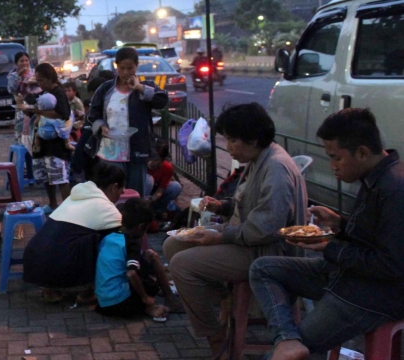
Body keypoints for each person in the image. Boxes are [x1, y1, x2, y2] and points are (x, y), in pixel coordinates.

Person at [249, 108, 404, 360]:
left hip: (372, 297)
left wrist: (327, 247)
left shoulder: (395, 189)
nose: (332, 166)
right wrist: (340, 224)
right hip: (346, 276)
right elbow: (371, 236)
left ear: (362, 152)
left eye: (336, 158)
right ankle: (287, 339)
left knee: (279, 358)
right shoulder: (374, 177)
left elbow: (390, 265)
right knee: (263, 268)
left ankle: (290, 346)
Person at [163, 103, 308, 359]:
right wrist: (224, 206)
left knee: (183, 265)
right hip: (246, 240)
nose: (228, 147)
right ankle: (224, 298)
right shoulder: (257, 159)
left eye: (231, 140)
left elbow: (265, 228)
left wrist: (219, 236)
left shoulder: (275, 168)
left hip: (266, 252)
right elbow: (249, 203)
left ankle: (214, 335)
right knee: (172, 246)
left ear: (252, 139)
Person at [23, 163, 124, 303]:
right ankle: (86, 291)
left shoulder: (75, 197)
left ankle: (51, 288)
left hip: (32, 263)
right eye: (121, 191)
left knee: (71, 238)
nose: (120, 195)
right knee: (110, 241)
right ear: (114, 187)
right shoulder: (107, 209)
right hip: (54, 268)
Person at [87, 47, 168, 197]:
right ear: (116, 67)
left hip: (137, 149)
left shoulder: (146, 87)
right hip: (110, 151)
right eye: (122, 68)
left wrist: (139, 87)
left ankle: (135, 220)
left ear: (136, 66)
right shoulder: (106, 89)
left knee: (135, 194)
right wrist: (101, 126)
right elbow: (93, 114)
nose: (125, 72)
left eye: (130, 68)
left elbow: (162, 100)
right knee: (111, 195)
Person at [95, 198, 183, 320]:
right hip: (121, 304)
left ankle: (161, 295)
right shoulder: (131, 244)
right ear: (141, 227)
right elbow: (131, 273)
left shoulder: (108, 237)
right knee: (151, 260)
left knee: (148, 256)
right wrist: (145, 298)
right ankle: (165, 302)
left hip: (103, 303)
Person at [31, 62, 72, 214]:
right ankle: (52, 204)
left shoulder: (58, 93)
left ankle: (69, 210)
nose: (39, 84)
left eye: (41, 80)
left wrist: (40, 112)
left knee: (60, 178)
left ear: (49, 79)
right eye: (38, 80)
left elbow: (63, 114)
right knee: (48, 177)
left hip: (56, 145)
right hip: (44, 144)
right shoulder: (44, 93)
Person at [7, 51, 41, 149]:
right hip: (21, 108)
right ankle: (24, 158)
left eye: (26, 60)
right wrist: (19, 76)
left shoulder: (34, 73)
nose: (24, 63)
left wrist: (34, 82)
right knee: (23, 133)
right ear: (16, 63)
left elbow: (43, 86)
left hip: (35, 105)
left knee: (35, 129)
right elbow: (11, 90)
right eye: (21, 61)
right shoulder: (12, 75)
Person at [145, 140, 182, 217]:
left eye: (157, 160)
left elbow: (160, 190)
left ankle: (156, 210)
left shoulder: (167, 167)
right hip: (143, 191)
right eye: (153, 159)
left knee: (176, 187)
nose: (153, 163)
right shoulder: (143, 163)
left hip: (153, 195)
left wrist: (151, 200)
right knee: (148, 179)